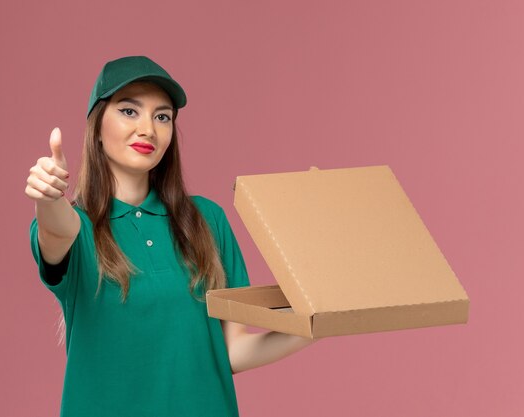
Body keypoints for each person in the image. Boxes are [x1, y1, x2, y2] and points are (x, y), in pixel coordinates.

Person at [25, 55, 317, 417]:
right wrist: (49, 197)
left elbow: (232, 351)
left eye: (162, 116)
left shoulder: (207, 219)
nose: (148, 128)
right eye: (129, 111)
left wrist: (323, 322)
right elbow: (57, 229)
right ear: (97, 127)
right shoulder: (80, 228)